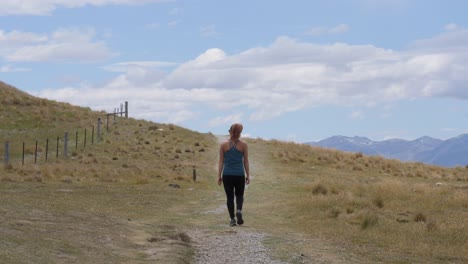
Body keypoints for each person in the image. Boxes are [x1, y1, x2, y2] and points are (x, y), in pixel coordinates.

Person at [217, 123, 250, 226]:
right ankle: (239, 210)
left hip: (227, 175)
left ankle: (232, 219)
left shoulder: (223, 145)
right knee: (239, 195)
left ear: (230, 131)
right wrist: (248, 175)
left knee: (230, 197)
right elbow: (246, 161)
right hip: (239, 174)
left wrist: (219, 175)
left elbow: (221, 161)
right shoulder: (244, 145)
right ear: (240, 132)